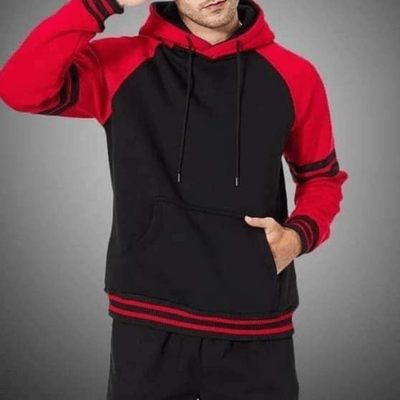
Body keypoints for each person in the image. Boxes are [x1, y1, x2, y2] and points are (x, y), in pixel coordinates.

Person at [0, 0, 349, 398]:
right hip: (148, 321)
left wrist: (297, 238)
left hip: (255, 323)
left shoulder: (294, 74)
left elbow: (322, 178)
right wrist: (99, 4)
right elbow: (19, 89)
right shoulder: (123, 64)